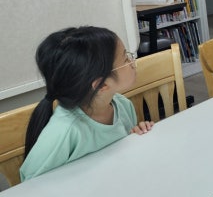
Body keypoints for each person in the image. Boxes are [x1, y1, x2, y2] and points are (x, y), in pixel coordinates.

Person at [20, 26, 153, 182]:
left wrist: (136, 134)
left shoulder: (123, 105)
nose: (132, 61)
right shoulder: (64, 132)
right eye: (126, 59)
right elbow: (29, 184)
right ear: (101, 85)